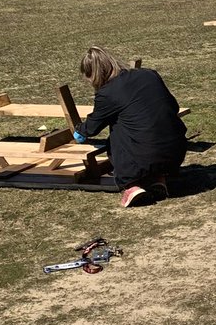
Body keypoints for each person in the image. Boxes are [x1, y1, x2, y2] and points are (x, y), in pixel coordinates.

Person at [73, 46, 187, 207]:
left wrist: (79, 131)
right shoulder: (149, 74)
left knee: (117, 136)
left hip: (144, 156)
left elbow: (92, 127)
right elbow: (173, 106)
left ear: (93, 75)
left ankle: (131, 186)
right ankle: (158, 180)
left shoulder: (107, 93)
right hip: (176, 150)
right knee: (139, 126)